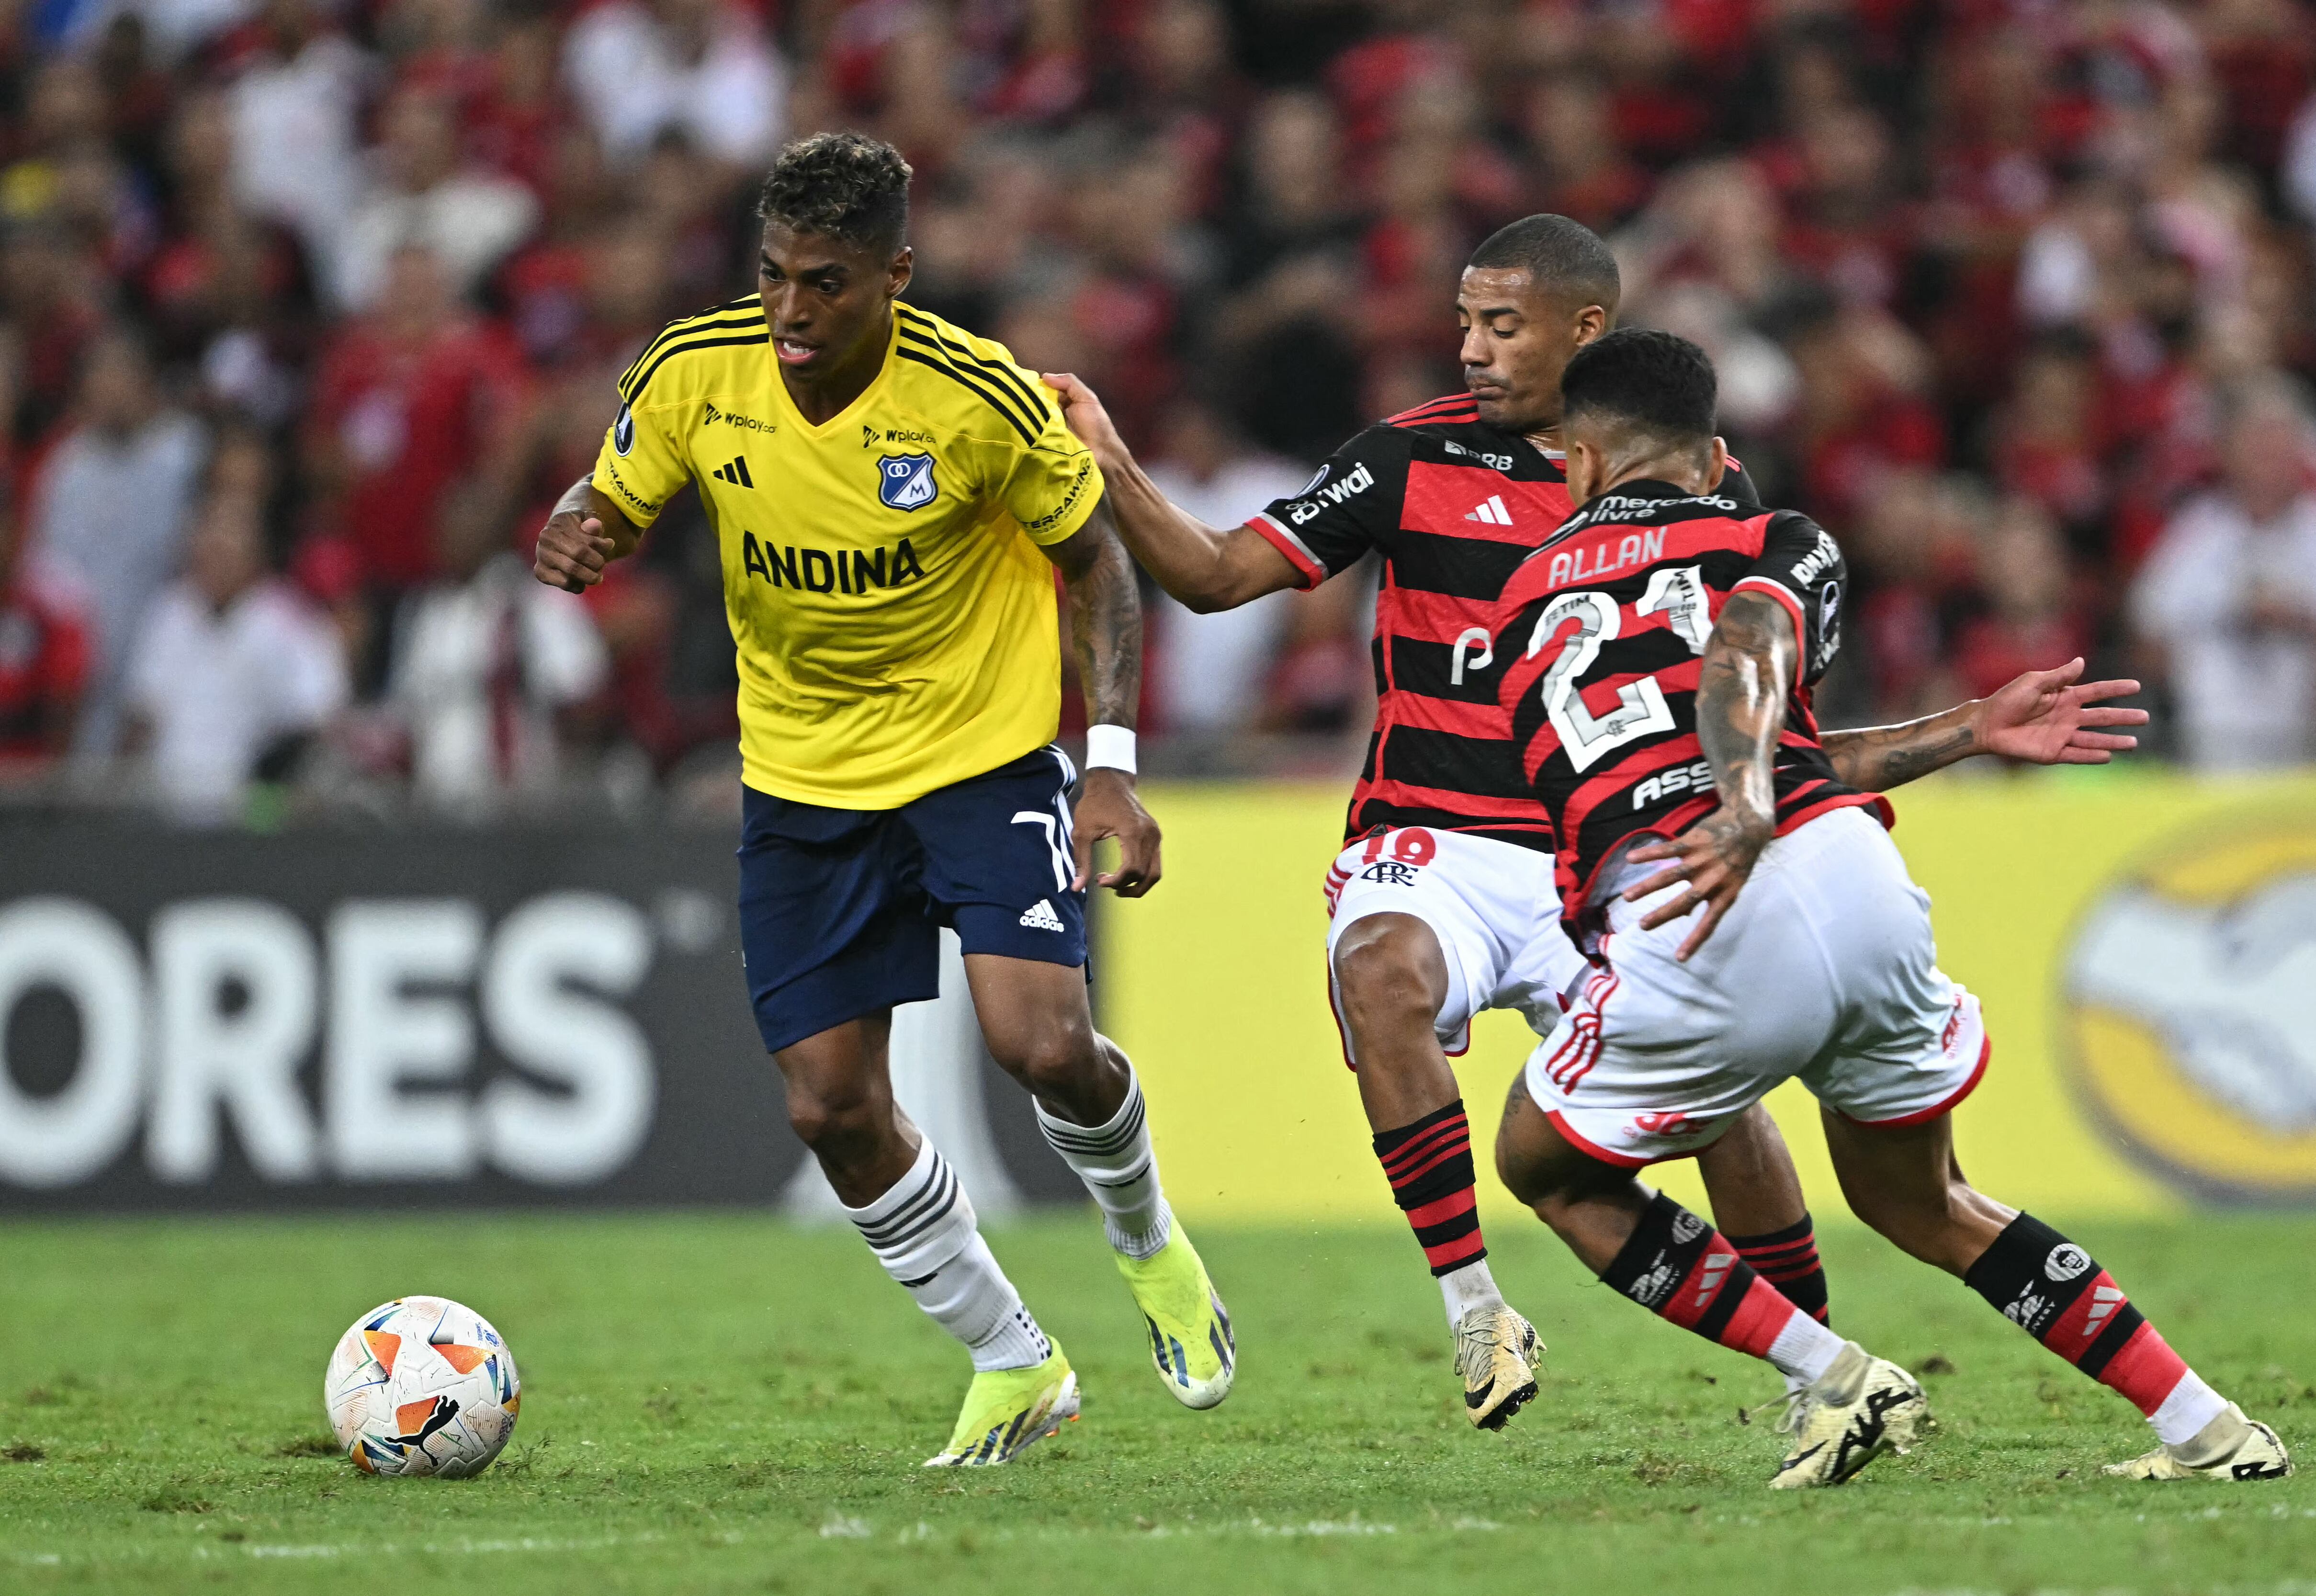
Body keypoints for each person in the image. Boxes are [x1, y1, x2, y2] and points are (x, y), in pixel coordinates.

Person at [1045, 213, 2147, 1431]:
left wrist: (1937, 739)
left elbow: (1774, 725)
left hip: (1604, 852)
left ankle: (1824, 1380)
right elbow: (1213, 575)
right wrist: (1112, 460)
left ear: (1584, 330)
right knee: (1381, 970)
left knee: (1722, 1111)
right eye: (1464, 322)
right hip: (1435, 836)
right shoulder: (1404, 458)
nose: (1471, 349)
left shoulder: (1705, 487)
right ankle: (1475, 1306)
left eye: (1500, 326)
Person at [531, 133, 1231, 1467]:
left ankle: (1146, 1239)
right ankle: (1013, 1361)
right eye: (774, 275)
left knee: (1044, 1045)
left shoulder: (980, 398)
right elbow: (609, 492)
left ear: (895, 275)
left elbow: (1098, 566)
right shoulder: (696, 371)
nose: (791, 311)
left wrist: (1113, 764)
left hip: (980, 756)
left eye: (827, 283)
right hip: (802, 781)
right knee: (830, 1110)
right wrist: (581, 522)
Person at [1487, 326, 2290, 1488]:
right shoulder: (1777, 535)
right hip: (1850, 873)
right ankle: (2209, 1429)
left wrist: (1741, 808)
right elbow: (1770, 693)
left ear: (1576, 463)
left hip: (1696, 899)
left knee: (1546, 1166)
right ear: (1710, 459)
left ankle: (1834, 1374)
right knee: (1925, 1201)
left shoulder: (1520, 595)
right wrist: (1955, 733)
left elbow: (1738, 661)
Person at [124, 490, 345, 823]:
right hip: (169, 814)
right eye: (207, 540)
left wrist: (268, 808)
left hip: (252, 820)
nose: (214, 553)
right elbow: (142, 713)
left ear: (257, 552)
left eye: (227, 545)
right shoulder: (171, 613)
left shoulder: (289, 621)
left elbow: (317, 721)